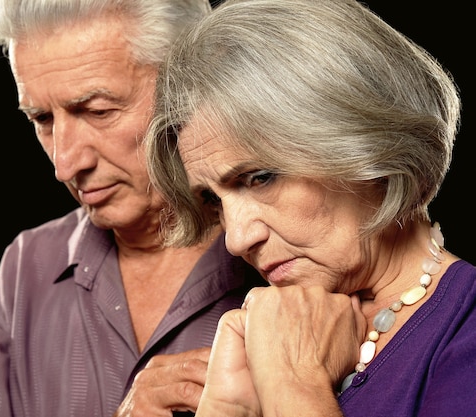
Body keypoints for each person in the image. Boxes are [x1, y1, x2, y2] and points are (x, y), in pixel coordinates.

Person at [0, 1, 267, 416]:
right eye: (42, 119)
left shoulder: (294, 254)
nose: (65, 165)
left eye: (97, 111)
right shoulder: (23, 273)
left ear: (190, 88)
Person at [144, 0, 476, 415]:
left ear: (364, 144)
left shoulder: (465, 333)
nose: (236, 239)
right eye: (214, 200)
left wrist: (294, 383)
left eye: (261, 178)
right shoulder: (260, 335)